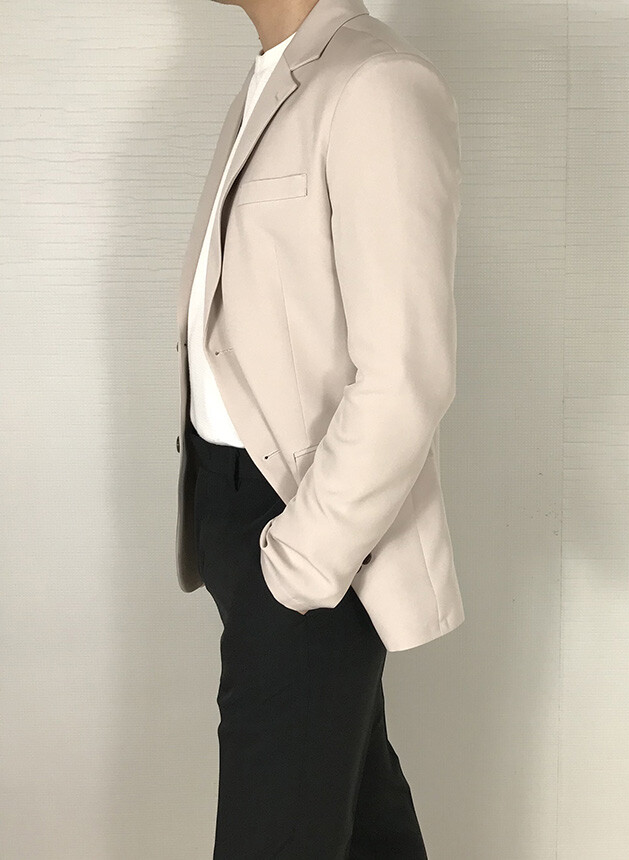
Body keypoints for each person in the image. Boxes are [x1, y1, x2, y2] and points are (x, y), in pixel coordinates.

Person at [172, 0, 464, 854]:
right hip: (237, 513)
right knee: (359, 815)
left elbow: (407, 375)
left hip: (311, 530)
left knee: (276, 827)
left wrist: (301, 562)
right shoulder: (274, 76)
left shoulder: (377, 85)